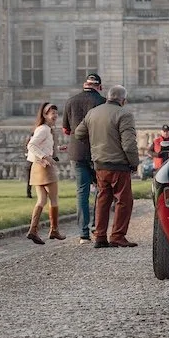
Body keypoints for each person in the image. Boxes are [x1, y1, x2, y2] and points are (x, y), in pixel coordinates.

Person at [73, 84, 141, 248]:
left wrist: (95, 143)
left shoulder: (93, 113)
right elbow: (128, 145)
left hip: (100, 164)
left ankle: (100, 236)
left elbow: (79, 133)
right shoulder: (124, 114)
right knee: (124, 201)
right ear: (123, 100)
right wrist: (134, 163)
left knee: (103, 199)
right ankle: (117, 235)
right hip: (119, 165)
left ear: (108, 97)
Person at [63, 73, 106, 245]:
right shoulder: (102, 102)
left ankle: (83, 233)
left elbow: (66, 130)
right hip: (97, 152)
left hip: (77, 152)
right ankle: (97, 227)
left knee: (82, 192)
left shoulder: (71, 101)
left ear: (84, 85)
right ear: (100, 87)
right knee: (101, 190)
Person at [25, 102, 66, 244]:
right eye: (52, 113)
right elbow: (31, 145)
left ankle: (33, 230)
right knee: (54, 199)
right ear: (45, 115)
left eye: (56, 113)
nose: (55, 116)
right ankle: (54, 230)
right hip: (45, 167)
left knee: (41, 200)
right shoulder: (44, 129)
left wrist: (58, 149)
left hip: (37, 167)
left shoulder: (44, 129)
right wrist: (45, 157)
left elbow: (43, 146)